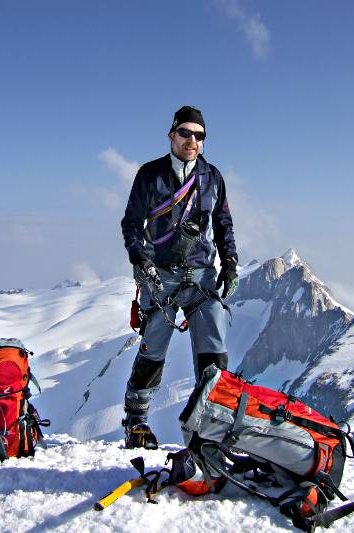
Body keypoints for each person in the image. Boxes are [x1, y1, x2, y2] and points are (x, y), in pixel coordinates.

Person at [119, 105, 239, 449]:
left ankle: (210, 426)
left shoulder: (212, 177)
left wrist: (230, 262)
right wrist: (139, 259)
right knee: (153, 349)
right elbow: (131, 223)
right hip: (160, 276)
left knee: (213, 354)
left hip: (202, 276)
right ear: (172, 134)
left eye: (199, 136)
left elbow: (223, 224)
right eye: (186, 133)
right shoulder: (149, 175)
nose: (192, 140)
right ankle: (136, 421)